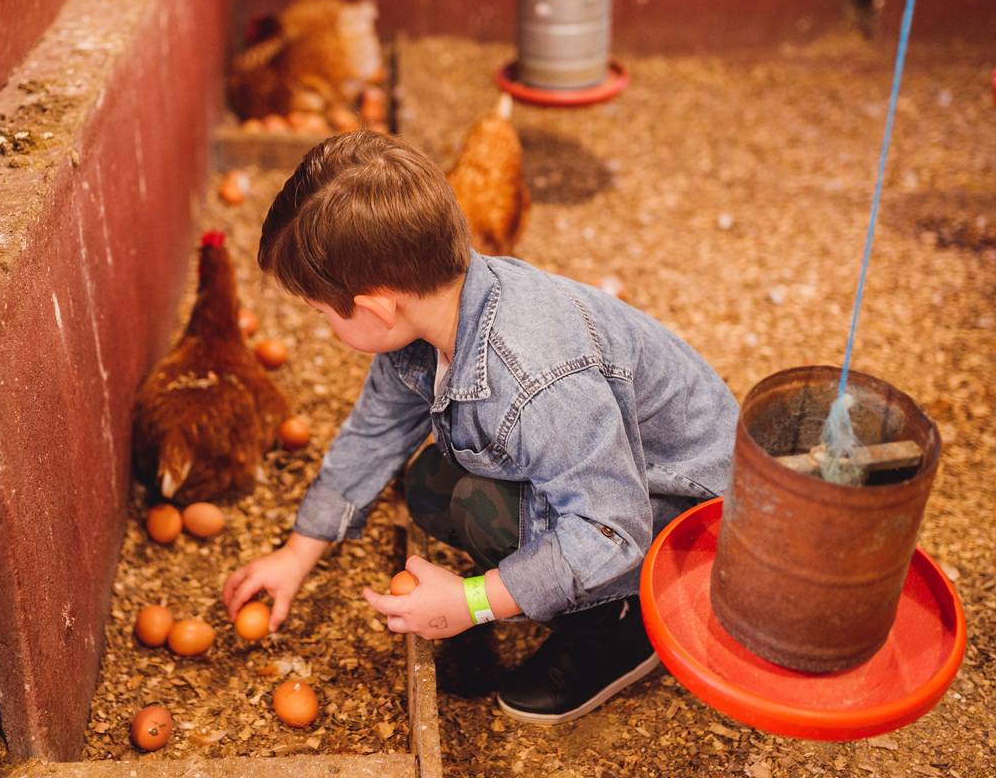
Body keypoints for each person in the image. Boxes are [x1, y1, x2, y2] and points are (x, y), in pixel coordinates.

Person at [223, 129, 739, 724]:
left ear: (374, 308)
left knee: (477, 503)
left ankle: (618, 628)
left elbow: (610, 529)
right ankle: (549, 587)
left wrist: (473, 603)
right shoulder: (437, 307)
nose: (323, 326)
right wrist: (296, 552)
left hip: (685, 521)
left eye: (321, 313)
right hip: (616, 478)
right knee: (431, 487)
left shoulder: (536, 380)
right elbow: (375, 432)